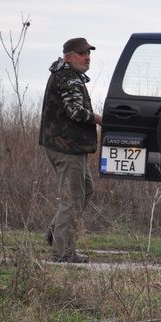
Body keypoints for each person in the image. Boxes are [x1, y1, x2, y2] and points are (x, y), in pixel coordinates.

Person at [39, 37, 102, 263]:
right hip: (67, 147)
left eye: (88, 53)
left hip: (68, 145)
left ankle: (55, 235)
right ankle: (63, 253)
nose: (87, 58)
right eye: (82, 54)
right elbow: (75, 111)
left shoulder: (66, 75)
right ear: (68, 57)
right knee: (73, 199)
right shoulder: (68, 77)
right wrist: (101, 120)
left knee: (85, 191)